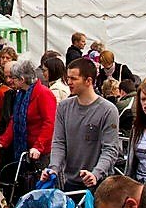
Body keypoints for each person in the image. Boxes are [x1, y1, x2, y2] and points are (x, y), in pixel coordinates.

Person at [44, 58, 121, 193]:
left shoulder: (108, 110)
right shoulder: (64, 107)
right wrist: (53, 169)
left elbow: (110, 149)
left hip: (100, 184)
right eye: (68, 78)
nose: (69, 82)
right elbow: (59, 142)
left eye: (74, 79)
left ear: (88, 81)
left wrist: (96, 173)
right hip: (71, 182)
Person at [0, 56, 57, 189]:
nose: (11, 81)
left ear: (22, 80)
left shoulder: (43, 94)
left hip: (40, 153)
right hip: (25, 150)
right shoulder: (21, 94)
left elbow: (49, 123)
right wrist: (3, 142)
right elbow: (15, 119)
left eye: (14, 78)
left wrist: (38, 146)